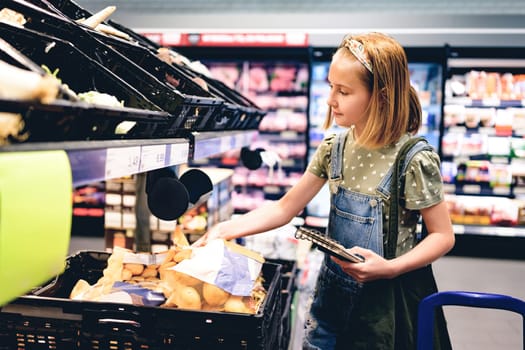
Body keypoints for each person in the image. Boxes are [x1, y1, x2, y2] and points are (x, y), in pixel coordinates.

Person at [194, 32, 455, 350]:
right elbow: (285, 208)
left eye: (344, 91)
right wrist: (225, 228)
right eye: (331, 86)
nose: (331, 100)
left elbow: (443, 236)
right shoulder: (335, 147)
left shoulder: (412, 158)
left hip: (389, 300)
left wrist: (389, 268)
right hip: (335, 292)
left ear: (382, 96)